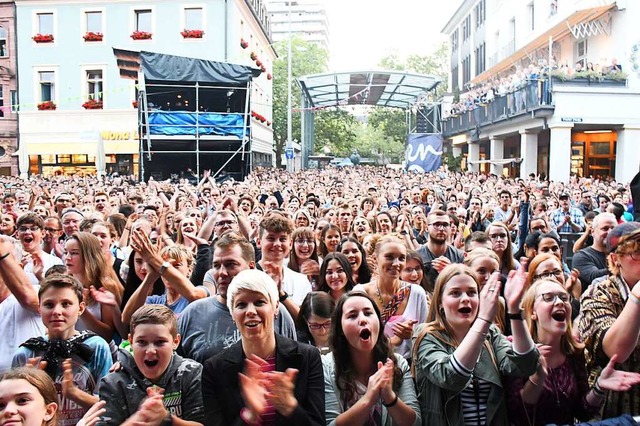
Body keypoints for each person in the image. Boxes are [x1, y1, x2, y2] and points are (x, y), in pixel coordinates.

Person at [412, 264, 539, 426]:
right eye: (455, 293)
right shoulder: (425, 335)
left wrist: (514, 309)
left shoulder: (490, 333)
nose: (465, 298)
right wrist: (484, 320)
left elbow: (525, 365)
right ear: (440, 303)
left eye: (472, 292)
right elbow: (450, 376)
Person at [506, 279, 640, 425]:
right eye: (549, 298)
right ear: (533, 312)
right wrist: (538, 378)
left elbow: (582, 413)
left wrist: (599, 388)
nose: (559, 302)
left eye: (564, 297)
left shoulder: (575, 353)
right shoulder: (517, 351)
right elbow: (517, 414)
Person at [202, 269, 325, 425]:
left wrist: (291, 408)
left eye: (259, 302)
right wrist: (250, 415)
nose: (251, 311)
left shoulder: (308, 357)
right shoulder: (214, 368)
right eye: (241, 305)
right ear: (232, 314)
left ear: (275, 308)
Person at [177, 232, 296, 364]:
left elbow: (292, 362)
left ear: (251, 267)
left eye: (230, 264)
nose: (222, 272)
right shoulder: (193, 313)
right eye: (216, 265)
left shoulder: (277, 312)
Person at [12, 274, 112, 425]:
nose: (57, 311)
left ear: (80, 308)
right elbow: (14, 410)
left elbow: (110, 405)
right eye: (49, 305)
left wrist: (73, 393)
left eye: (66, 304)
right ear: (39, 309)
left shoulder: (95, 347)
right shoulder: (27, 353)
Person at [323, 291, 420, 425]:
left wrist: (389, 397)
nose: (363, 320)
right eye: (352, 316)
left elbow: (416, 423)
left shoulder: (398, 363)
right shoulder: (325, 367)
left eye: (368, 313)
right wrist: (369, 399)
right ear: (340, 329)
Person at [98, 304, 204, 425]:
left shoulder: (191, 373)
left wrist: (167, 419)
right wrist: (139, 417)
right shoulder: (114, 382)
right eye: (142, 342)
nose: (150, 350)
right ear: (131, 341)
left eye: (160, 342)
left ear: (175, 342)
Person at [578, 222, 640, 418]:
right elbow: (616, 352)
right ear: (615, 259)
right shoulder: (599, 293)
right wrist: (637, 296)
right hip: (611, 410)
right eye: (636, 253)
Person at [358, 235, 428, 360]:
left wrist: (412, 335)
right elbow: (354, 339)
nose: (396, 264)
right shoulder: (360, 293)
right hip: (370, 366)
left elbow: (426, 340)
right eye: (389, 257)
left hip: (407, 368)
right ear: (375, 258)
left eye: (401, 258)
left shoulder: (417, 293)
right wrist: (393, 342)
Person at [64, 232, 126, 341]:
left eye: (74, 253)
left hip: (96, 352)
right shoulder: (63, 284)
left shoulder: (105, 286)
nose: (67, 258)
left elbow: (107, 335)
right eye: (66, 252)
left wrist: (81, 309)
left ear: (89, 256)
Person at [572, 212, 617, 290]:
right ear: (593, 231)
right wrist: (624, 266)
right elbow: (593, 276)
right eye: (605, 228)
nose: (610, 232)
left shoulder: (622, 254)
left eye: (613, 228)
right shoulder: (582, 256)